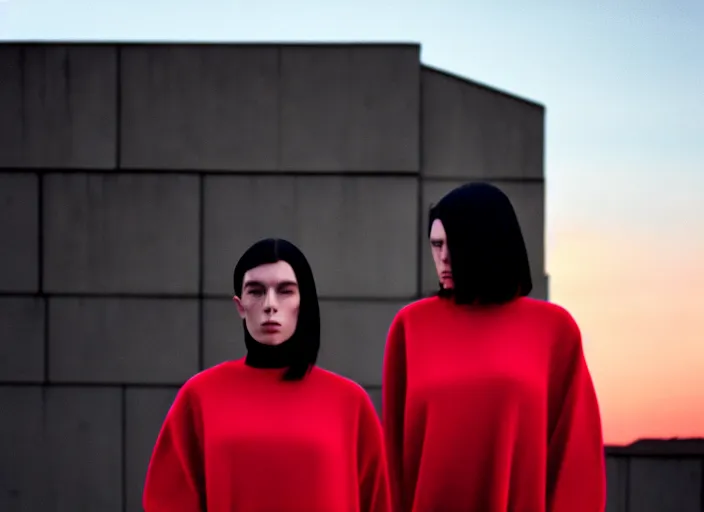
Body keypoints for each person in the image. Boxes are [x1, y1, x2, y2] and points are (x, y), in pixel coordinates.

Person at [382, 183, 606, 512]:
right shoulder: (411, 326)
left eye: (452, 244)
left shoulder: (553, 329)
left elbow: (577, 459)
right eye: (435, 245)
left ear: (484, 244)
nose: (443, 258)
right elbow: (393, 461)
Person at [143, 238, 392, 512]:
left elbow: (379, 501)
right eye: (256, 291)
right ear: (240, 305)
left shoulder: (349, 402)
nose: (270, 304)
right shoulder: (200, 396)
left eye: (285, 291)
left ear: (303, 301)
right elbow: (167, 501)